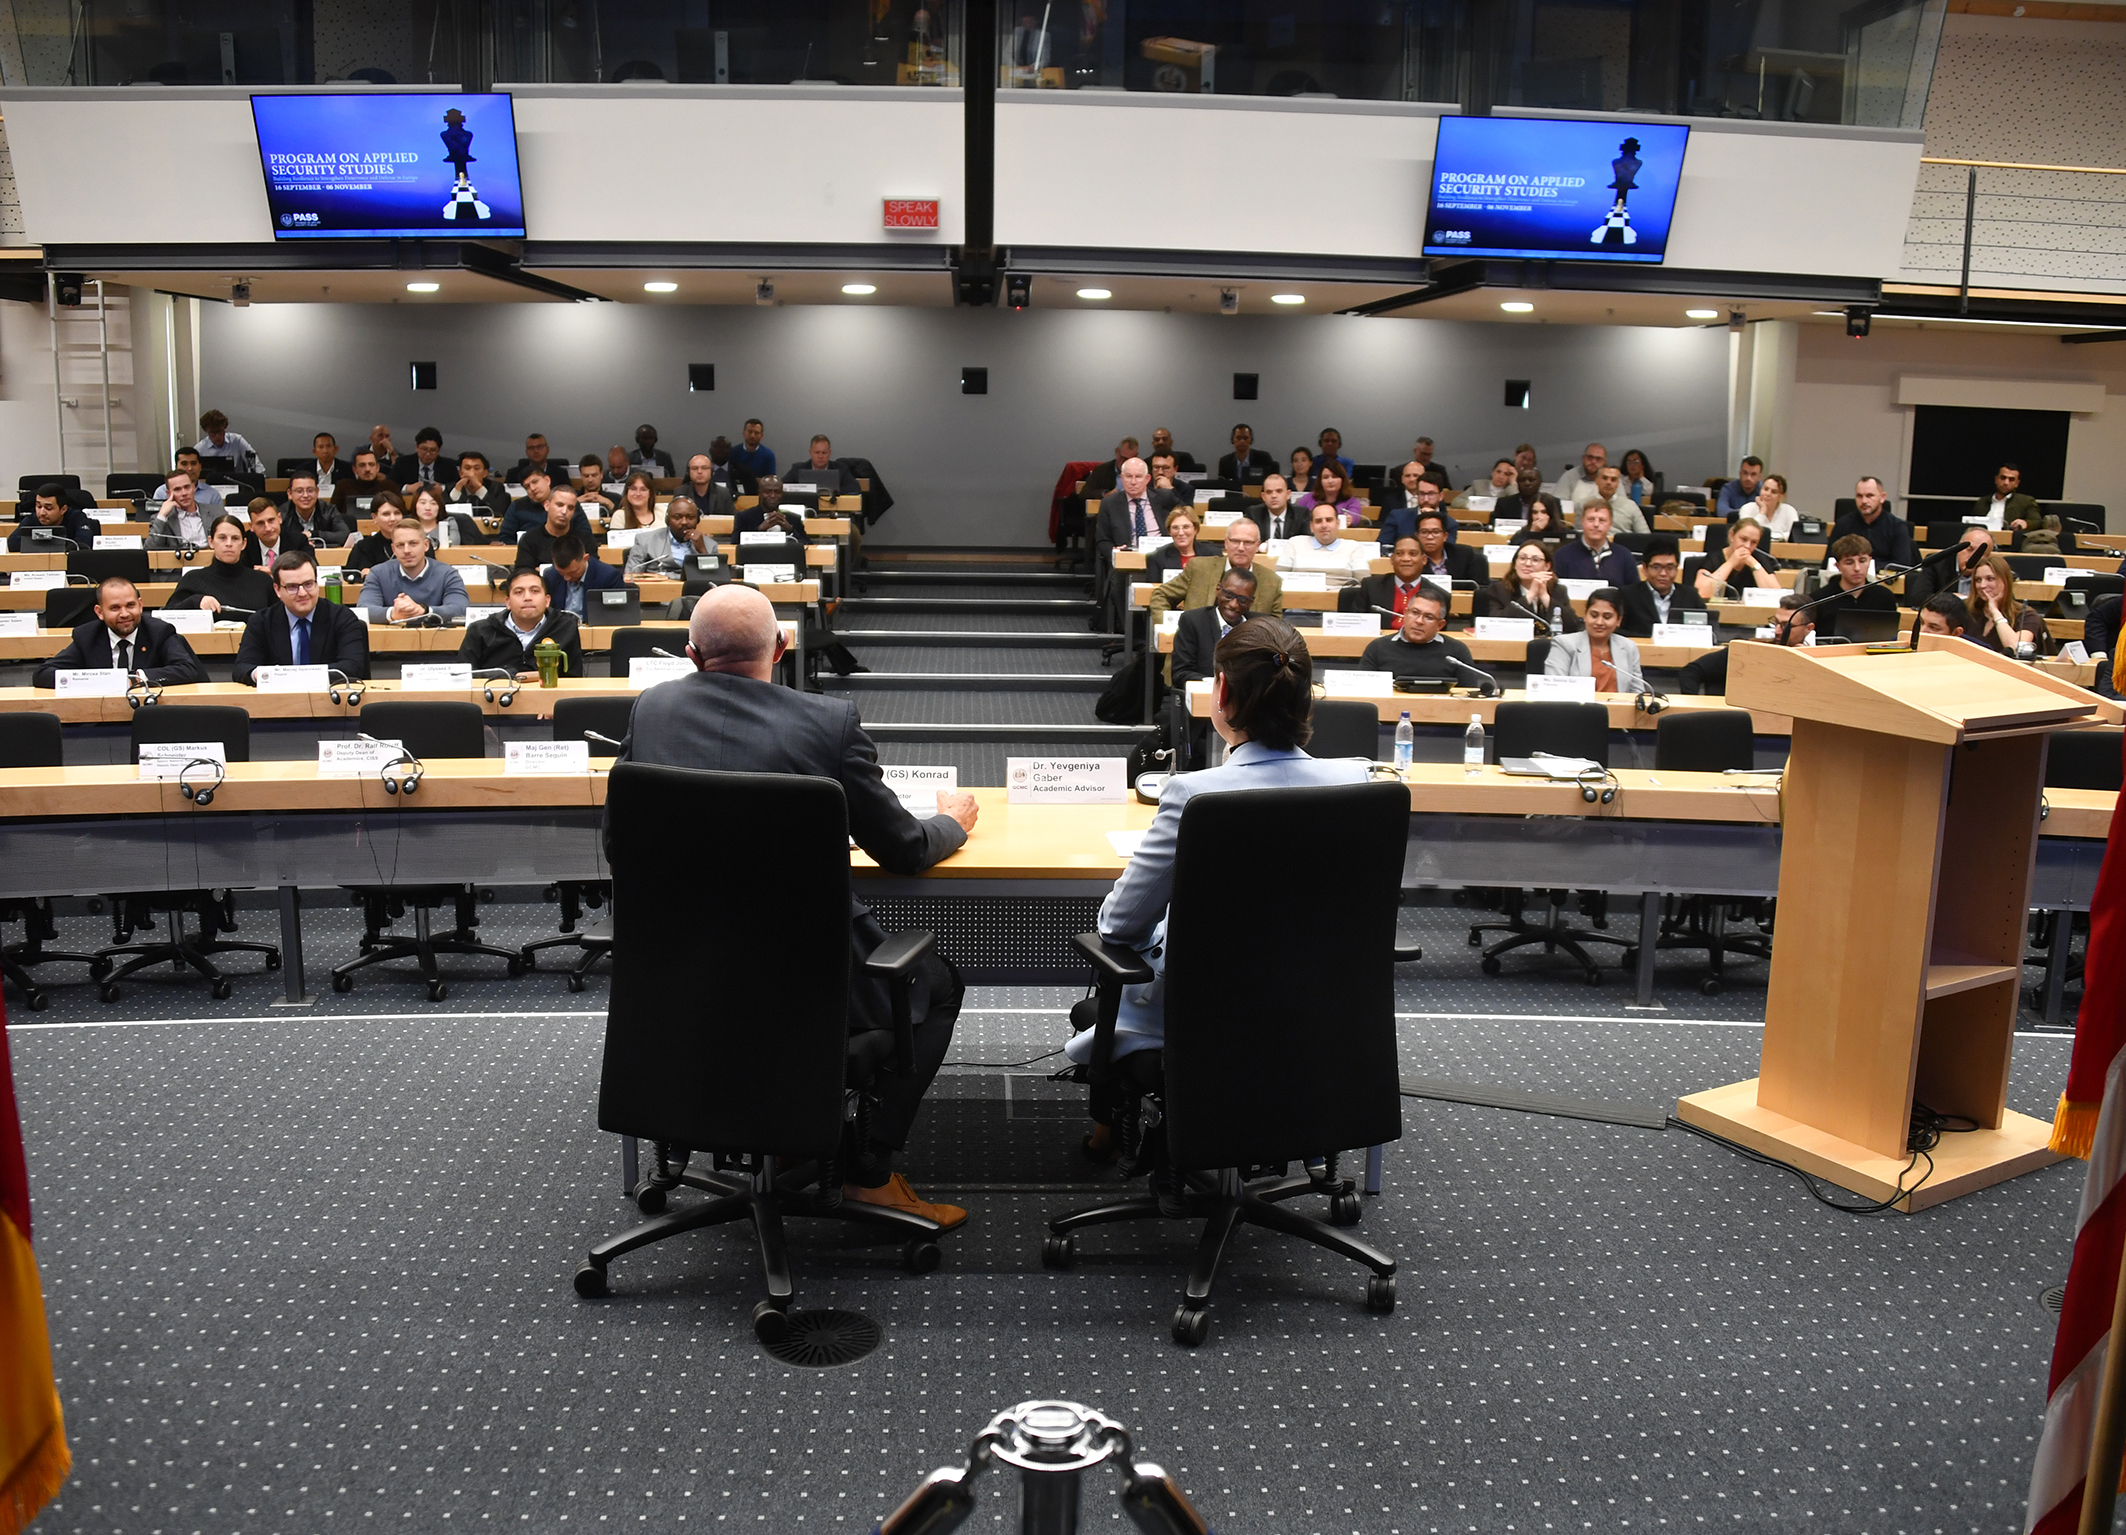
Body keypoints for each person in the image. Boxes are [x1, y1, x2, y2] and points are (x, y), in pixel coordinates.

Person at [612, 584, 977, 1226]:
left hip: (679, 981)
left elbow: (620, 845)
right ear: (782, 648)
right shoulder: (827, 723)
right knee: (938, 984)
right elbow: (902, 848)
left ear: (690, 654)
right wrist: (953, 823)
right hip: (803, 984)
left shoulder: (652, 711)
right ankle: (869, 1171)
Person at [1078, 617, 1368, 1085]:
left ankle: (1112, 1131)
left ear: (1222, 693)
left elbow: (1119, 925)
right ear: (1305, 698)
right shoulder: (1360, 784)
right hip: (1321, 1013)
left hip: (1204, 1015)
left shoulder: (1194, 794)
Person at [33, 575, 207, 690]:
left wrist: (134, 679)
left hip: (153, 715)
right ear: (99, 612)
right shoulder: (87, 637)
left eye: (130, 605)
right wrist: (98, 680)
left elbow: (187, 669)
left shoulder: (159, 632)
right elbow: (43, 675)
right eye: (115, 608)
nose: (124, 614)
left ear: (140, 605)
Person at [233, 553, 372, 685]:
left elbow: (352, 667)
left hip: (331, 702)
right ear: (277, 590)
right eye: (292, 587)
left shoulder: (342, 617)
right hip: (278, 703)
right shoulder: (260, 621)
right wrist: (261, 674)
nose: (302, 593)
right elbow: (242, 668)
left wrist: (289, 677)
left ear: (317, 583)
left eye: (308, 584)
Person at [1148, 517, 1284, 625]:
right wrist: (1174, 628)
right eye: (1235, 541)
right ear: (1226, 543)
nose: (1241, 548)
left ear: (1257, 546)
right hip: (1197, 650)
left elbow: (1276, 627)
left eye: (1248, 543)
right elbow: (1160, 595)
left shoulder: (1272, 582)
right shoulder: (1199, 568)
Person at [458, 565, 583, 681]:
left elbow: (574, 678)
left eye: (535, 591)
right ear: (508, 602)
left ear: (547, 601)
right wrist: (512, 675)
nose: (527, 597)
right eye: (519, 592)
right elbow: (464, 677)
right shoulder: (480, 631)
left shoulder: (565, 628)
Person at [1679, 592, 1809, 694]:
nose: (1777, 630)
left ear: (1808, 629)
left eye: (1786, 626)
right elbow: (1691, 671)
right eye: (1776, 623)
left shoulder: (1818, 660)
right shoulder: (1749, 650)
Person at [1360, 585, 1481, 685]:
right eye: (1415, 613)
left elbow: (1470, 693)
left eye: (1428, 617)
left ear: (1440, 625)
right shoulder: (1378, 647)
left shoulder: (1456, 651)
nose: (1419, 621)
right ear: (1405, 614)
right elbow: (1362, 689)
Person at [166, 514, 276, 617]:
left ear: (244, 544)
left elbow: (279, 618)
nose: (229, 543)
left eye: (235, 538)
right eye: (222, 538)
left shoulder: (263, 581)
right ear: (211, 542)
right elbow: (167, 616)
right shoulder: (193, 579)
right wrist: (195, 601)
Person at [359, 522, 470, 623]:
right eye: (400, 545)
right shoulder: (377, 573)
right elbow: (363, 609)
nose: (406, 550)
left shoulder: (447, 574)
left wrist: (424, 611)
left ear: (426, 545)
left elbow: (460, 608)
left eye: (413, 543)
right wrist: (394, 613)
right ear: (393, 550)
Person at [1544, 588, 1644, 692]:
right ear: (1585, 615)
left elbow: (1637, 692)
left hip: (1619, 707)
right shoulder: (1564, 644)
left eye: (1607, 617)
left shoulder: (1628, 647)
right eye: (1594, 615)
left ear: (1618, 620)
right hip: (1579, 707)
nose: (1599, 622)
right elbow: (1555, 689)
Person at [1170, 568, 1254, 687]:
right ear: (1218, 590)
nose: (1234, 604)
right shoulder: (1193, 621)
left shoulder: (1259, 625)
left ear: (1251, 602)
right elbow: (1180, 673)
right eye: (1229, 595)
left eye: (1243, 600)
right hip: (1206, 697)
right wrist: (1218, 685)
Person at [1478, 540, 1582, 632]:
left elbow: (1572, 626)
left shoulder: (1558, 590)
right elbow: (1497, 624)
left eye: (1535, 560)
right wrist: (1530, 595)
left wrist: (1546, 598)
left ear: (1547, 566)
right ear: (1515, 563)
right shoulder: (1499, 590)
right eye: (1522, 558)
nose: (1527, 564)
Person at [1811, 533, 1898, 640]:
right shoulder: (1819, 599)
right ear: (1838, 566)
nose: (1857, 568)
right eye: (1849, 562)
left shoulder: (1885, 597)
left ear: (1870, 561)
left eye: (1862, 561)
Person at [1965, 551, 2051, 655]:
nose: (1982, 585)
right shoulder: (1966, 610)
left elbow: (2016, 647)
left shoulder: (2026, 615)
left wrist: (1995, 612)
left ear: (2005, 581)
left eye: (1990, 579)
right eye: (1978, 580)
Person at [1618, 538, 1705, 635]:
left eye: (1670, 568)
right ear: (1645, 568)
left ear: (1677, 569)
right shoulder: (1627, 595)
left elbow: (1707, 629)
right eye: (1656, 567)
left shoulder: (1690, 596)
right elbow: (1617, 631)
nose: (1663, 573)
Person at [1831, 476, 1917, 569]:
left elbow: (1901, 564)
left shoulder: (1897, 526)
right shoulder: (1843, 524)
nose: (1864, 501)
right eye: (1859, 496)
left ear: (1882, 497)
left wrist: (1869, 567)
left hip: (1884, 579)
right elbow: (1830, 560)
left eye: (1869, 496)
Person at [1281, 502, 1373, 588]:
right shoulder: (1294, 543)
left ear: (1338, 524)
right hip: (1299, 601)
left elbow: (1364, 585)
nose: (1324, 525)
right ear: (1311, 526)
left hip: (1341, 603)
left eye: (1329, 520)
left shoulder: (1353, 547)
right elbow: (1279, 579)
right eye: (1318, 521)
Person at [1975, 461, 2060, 553]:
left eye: (2011, 479)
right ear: (1996, 479)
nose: (2006, 482)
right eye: (2003, 478)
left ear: (2017, 483)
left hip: (2009, 547)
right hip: (1980, 544)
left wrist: (2025, 523)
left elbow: (2037, 521)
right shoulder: (1982, 502)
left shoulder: (2025, 501)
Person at [1689, 519, 1781, 600]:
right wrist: (1731, 563)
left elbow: (1776, 596)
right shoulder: (1714, 558)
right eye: (1743, 539)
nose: (1747, 546)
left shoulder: (1760, 560)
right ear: (1732, 536)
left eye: (1754, 542)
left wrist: (1753, 564)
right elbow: (1701, 593)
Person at [1552, 502, 1639, 586]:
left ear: (1610, 524)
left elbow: (1632, 593)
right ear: (1582, 521)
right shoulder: (1562, 555)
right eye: (1591, 519)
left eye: (1602, 520)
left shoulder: (1624, 556)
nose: (1596, 524)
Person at [626, 495, 712, 578]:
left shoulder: (709, 545)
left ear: (697, 520)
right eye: (678, 517)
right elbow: (630, 577)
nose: (684, 522)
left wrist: (702, 551)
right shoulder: (645, 541)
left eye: (690, 517)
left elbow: (713, 578)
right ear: (668, 520)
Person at [542, 535, 626, 618]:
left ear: (585, 558)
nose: (566, 578)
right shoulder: (550, 576)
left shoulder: (608, 576)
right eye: (561, 573)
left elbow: (617, 615)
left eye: (573, 572)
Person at [1358, 536, 1438, 619]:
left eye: (1413, 554)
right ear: (1392, 559)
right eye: (1400, 553)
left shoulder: (1439, 595)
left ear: (1424, 560)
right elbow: (1358, 626)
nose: (1406, 559)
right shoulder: (1370, 587)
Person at [1406, 507, 1486, 588]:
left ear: (1445, 536)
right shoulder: (1410, 559)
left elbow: (1479, 590)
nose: (1430, 537)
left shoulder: (1464, 555)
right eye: (1424, 532)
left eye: (1435, 532)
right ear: (1417, 536)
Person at [515, 487, 593, 569]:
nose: (564, 511)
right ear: (547, 505)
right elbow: (522, 572)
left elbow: (592, 572)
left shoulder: (585, 540)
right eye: (560, 505)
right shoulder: (529, 539)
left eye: (570, 508)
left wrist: (544, 571)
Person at [7, 483, 94, 551]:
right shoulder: (32, 519)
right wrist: (57, 545)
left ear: (63, 509)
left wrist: (36, 544)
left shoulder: (77, 517)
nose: (42, 513)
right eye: (38, 506)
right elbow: (12, 542)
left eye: (48, 508)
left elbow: (83, 544)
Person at [410, 482, 491, 551]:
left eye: (433, 503)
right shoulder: (408, 526)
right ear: (415, 505)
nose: (428, 508)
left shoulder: (449, 522)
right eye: (423, 503)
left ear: (439, 507)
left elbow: (453, 543)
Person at [342, 492, 408, 574]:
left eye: (397, 513)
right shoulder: (363, 547)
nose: (393, 518)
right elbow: (349, 576)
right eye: (386, 514)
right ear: (374, 518)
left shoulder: (416, 543)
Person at [283, 471, 353, 546]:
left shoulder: (328, 510)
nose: (305, 495)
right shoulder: (283, 514)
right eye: (299, 491)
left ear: (317, 492)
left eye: (310, 490)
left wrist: (313, 534)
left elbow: (344, 535)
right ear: (290, 494)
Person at [245, 498, 312, 576]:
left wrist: (276, 574)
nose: (268, 528)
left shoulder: (298, 541)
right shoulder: (243, 544)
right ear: (251, 526)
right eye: (260, 523)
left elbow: (311, 570)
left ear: (279, 518)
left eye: (271, 520)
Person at [147, 448, 225, 513]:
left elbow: (220, 520)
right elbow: (157, 520)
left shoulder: (212, 494)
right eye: (184, 464)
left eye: (193, 463)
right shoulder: (162, 492)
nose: (190, 468)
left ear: (200, 466)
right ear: (176, 467)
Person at [147, 471, 212, 549]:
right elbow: (150, 549)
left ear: (193, 488)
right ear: (169, 494)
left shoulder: (216, 512)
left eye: (187, 487)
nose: (184, 493)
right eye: (177, 489)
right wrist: (162, 515)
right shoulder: (163, 519)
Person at [1577, 465, 1649, 535]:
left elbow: (1645, 536)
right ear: (1596, 481)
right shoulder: (1583, 504)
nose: (1609, 482)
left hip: (1624, 545)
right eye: (1605, 478)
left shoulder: (1631, 506)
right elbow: (1579, 534)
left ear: (1618, 484)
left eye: (1613, 480)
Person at [330, 449, 393, 523]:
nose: (367, 469)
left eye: (371, 464)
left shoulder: (389, 487)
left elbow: (401, 513)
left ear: (377, 468)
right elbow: (333, 514)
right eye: (362, 465)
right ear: (354, 470)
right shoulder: (343, 486)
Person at [1294, 461, 1364, 527]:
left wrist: (1350, 519)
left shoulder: (1352, 502)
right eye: (1326, 477)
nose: (1330, 481)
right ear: (1320, 481)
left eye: (1334, 477)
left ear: (1343, 480)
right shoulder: (1307, 499)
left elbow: (1355, 516)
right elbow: (1295, 517)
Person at [1735, 472, 1800, 541]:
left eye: (1774, 492)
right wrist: (1762, 511)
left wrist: (1769, 536)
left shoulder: (1789, 510)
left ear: (1782, 496)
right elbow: (1748, 534)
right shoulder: (1747, 508)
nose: (1768, 494)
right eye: (1766, 489)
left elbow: (1795, 535)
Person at [736, 476, 807, 539]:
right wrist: (759, 530)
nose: (773, 495)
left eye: (777, 492)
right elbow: (735, 544)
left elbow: (808, 545)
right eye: (767, 492)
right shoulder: (744, 517)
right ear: (759, 493)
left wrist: (790, 529)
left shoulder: (794, 519)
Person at [446, 451, 510, 520]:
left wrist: (479, 488)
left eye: (476, 469)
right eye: (467, 468)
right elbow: (444, 513)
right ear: (460, 473)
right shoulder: (451, 488)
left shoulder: (496, 488)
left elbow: (499, 512)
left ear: (485, 473)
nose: (472, 473)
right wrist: (458, 488)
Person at [194, 408, 261, 474]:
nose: (217, 436)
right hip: (209, 484)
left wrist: (259, 478)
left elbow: (255, 464)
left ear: (225, 427)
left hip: (238, 482)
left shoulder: (237, 441)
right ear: (206, 431)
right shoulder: (199, 449)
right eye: (213, 432)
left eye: (220, 431)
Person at [793, 435, 860, 498]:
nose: (820, 456)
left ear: (830, 453)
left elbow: (855, 488)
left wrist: (834, 492)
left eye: (824, 453)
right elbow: (783, 486)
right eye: (817, 452)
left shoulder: (841, 469)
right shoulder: (798, 469)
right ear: (810, 452)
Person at [496, 469, 555, 541]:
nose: (532, 488)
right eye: (527, 486)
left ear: (547, 480)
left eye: (535, 482)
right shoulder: (517, 506)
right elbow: (505, 537)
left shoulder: (564, 502)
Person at [1145, 507, 1200, 583]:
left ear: (1195, 529)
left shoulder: (1212, 555)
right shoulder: (1156, 558)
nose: (1180, 533)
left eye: (1186, 527)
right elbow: (1153, 591)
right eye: (1175, 528)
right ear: (1169, 531)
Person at [674, 453, 736, 520]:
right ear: (688, 472)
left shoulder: (723, 493)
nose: (699, 471)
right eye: (695, 468)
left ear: (711, 471)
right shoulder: (681, 492)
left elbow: (732, 520)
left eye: (704, 468)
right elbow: (676, 520)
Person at [1497, 466, 1563, 528]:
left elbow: (1559, 528)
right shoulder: (1504, 504)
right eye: (1523, 480)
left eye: (1531, 480)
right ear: (1517, 483)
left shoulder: (1553, 503)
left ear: (1540, 483)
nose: (1527, 483)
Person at [1082, 436, 1141, 500]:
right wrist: (1106, 494)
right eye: (1123, 458)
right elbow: (1085, 493)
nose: (1125, 463)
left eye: (1130, 459)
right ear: (1116, 452)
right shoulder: (1102, 470)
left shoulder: (1142, 472)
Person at [1255, 473, 1308, 543]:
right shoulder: (1254, 514)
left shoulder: (1301, 514)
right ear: (1263, 496)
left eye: (1279, 491)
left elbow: (1306, 544)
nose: (1274, 496)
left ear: (1288, 494)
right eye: (1269, 492)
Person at [608, 471, 660, 539]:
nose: (638, 494)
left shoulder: (662, 512)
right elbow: (616, 546)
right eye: (633, 489)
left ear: (650, 493)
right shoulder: (619, 516)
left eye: (643, 490)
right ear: (627, 492)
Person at [1452, 459, 1518, 511]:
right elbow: (1456, 501)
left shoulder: (1510, 489)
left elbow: (1518, 505)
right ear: (1492, 472)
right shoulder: (1479, 485)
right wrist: (1474, 505)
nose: (1501, 476)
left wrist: (1513, 482)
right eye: (1498, 472)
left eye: (1506, 474)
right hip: (1477, 522)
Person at [1556, 443, 1607, 509]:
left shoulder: (1612, 477)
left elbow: (1622, 504)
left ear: (1604, 461)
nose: (1593, 461)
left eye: (1598, 459)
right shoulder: (1570, 476)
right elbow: (1558, 504)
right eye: (1590, 457)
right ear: (1583, 458)